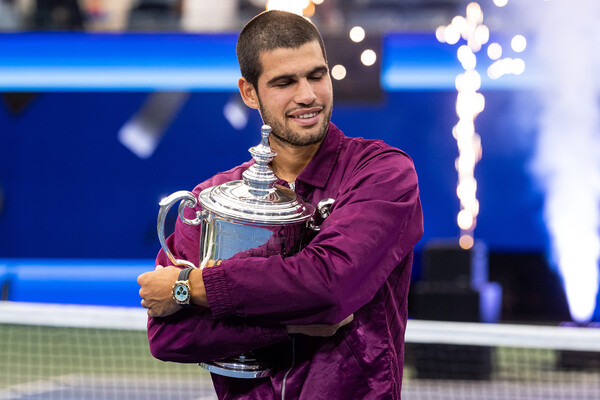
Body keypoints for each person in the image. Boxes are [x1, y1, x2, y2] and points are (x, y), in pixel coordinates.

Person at [137, 10, 423, 400]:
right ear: (249, 93)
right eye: (284, 82)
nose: (308, 95)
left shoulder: (381, 172)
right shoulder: (213, 197)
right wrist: (286, 325)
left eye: (317, 76)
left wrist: (190, 287)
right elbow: (168, 336)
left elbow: (329, 286)